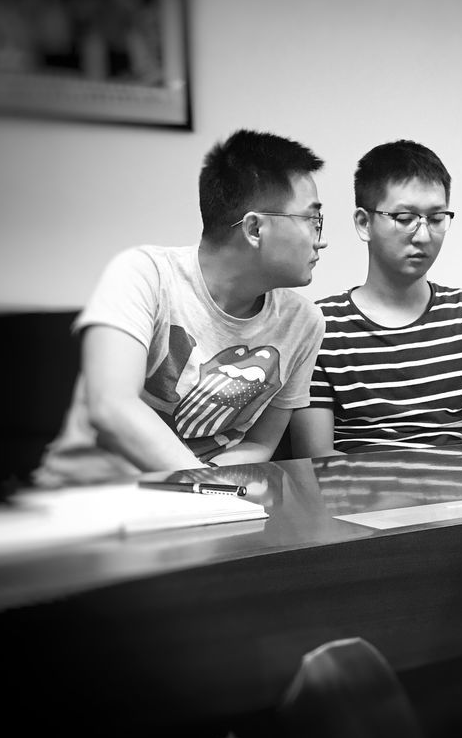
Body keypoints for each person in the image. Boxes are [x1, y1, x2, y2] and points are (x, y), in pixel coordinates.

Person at [34, 129, 328, 486]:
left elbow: (259, 441)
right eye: (312, 220)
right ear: (254, 228)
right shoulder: (144, 274)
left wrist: (219, 491)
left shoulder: (303, 322)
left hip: (205, 501)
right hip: (95, 494)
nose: (321, 239)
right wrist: (206, 486)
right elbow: (112, 407)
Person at [290, 140, 462, 457]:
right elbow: (316, 459)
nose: (424, 234)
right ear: (364, 223)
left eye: (436, 218)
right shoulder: (319, 326)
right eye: (405, 218)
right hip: (360, 501)